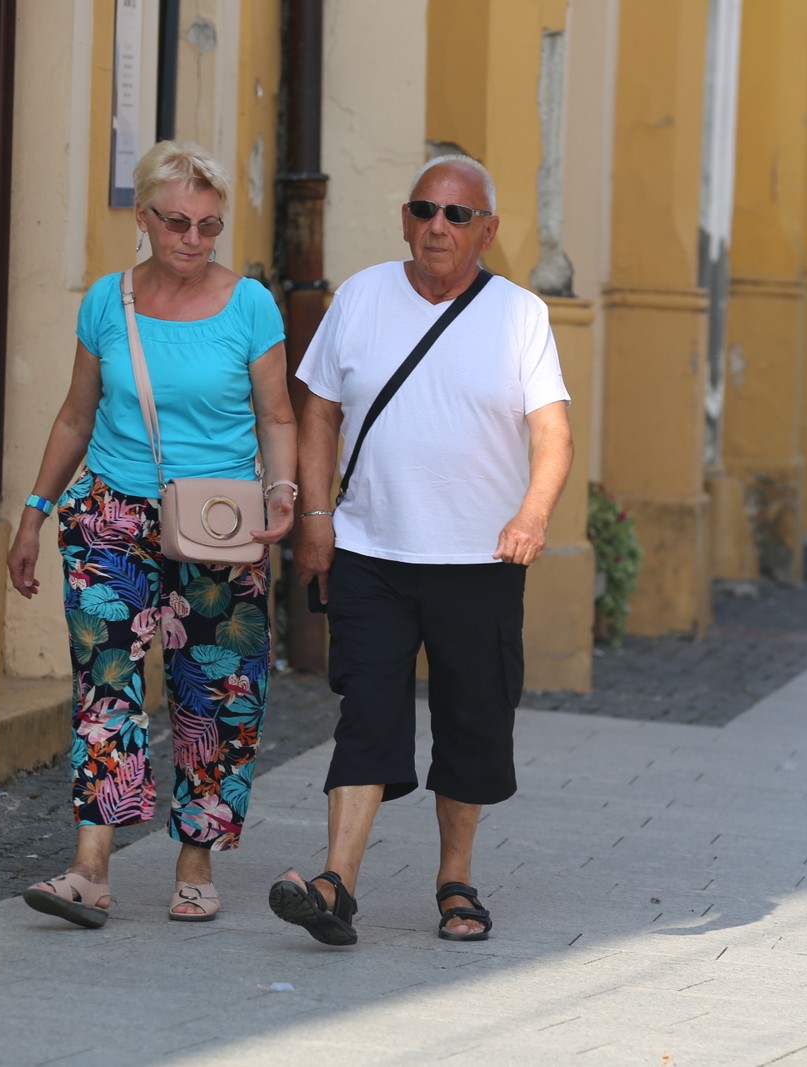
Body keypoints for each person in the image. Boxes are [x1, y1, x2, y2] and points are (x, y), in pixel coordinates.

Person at [268, 155, 573, 946]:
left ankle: (455, 878)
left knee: (472, 719)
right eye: (424, 210)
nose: (438, 225)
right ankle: (337, 881)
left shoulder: (520, 316)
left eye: (457, 215)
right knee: (366, 708)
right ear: (406, 219)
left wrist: (533, 514)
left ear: (487, 231)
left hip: (480, 560)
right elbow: (319, 414)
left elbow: (553, 434)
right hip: (372, 550)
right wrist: (317, 515)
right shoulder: (361, 297)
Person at [6, 141, 296, 929]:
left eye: (209, 226)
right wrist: (35, 510)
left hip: (217, 518)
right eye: (178, 223)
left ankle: (195, 860)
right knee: (106, 683)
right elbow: (76, 413)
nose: (194, 240)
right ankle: (90, 867)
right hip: (111, 513)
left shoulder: (251, 306)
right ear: (144, 219)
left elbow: (276, 416)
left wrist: (284, 491)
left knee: (217, 691)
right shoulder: (108, 301)